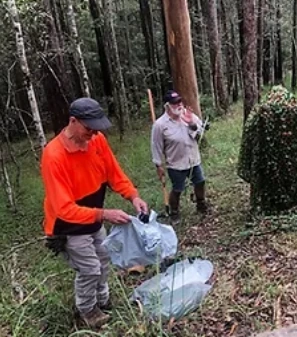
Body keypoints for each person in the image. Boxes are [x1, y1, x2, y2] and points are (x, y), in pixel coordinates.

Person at [40, 97, 149, 328]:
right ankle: (87, 311)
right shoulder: (54, 155)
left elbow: (114, 173)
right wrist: (104, 214)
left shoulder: (97, 141)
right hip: (68, 224)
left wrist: (133, 196)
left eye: (97, 127)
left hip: (93, 218)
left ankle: (103, 299)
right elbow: (64, 209)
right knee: (89, 268)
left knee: (103, 258)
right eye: (89, 128)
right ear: (73, 121)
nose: (94, 133)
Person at [151, 90, 211, 219]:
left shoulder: (189, 115)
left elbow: (200, 131)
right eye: (174, 103)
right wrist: (158, 165)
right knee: (178, 189)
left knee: (200, 182)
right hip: (176, 163)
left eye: (179, 101)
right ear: (167, 106)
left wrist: (191, 123)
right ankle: (174, 211)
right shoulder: (160, 125)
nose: (178, 105)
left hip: (193, 159)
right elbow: (156, 145)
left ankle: (201, 204)